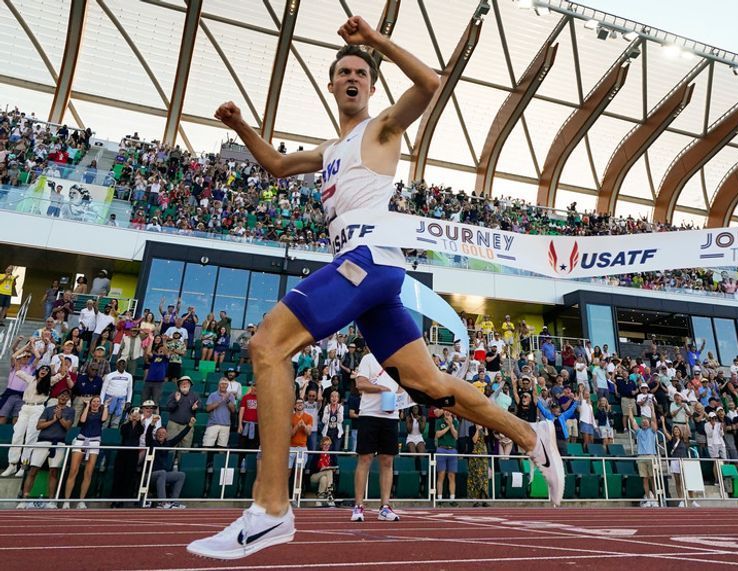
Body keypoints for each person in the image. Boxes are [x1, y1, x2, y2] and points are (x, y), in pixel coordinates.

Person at [189, 17, 563, 560]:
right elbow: (273, 165)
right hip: (371, 279)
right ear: (331, 84)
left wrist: (375, 41)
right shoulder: (329, 149)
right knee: (428, 384)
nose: (351, 76)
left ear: (370, 85)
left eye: (360, 72)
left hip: (370, 260)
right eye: (343, 70)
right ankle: (531, 435)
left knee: (267, 344)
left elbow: (432, 85)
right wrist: (241, 125)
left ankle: (270, 510)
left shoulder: (383, 128)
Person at [350, 344, 404, 522]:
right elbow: (360, 384)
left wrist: (398, 401)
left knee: (387, 460)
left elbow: (402, 388)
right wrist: (381, 388)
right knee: (365, 458)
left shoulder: (397, 363)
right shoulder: (368, 359)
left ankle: (385, 507)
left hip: (391, 416)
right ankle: (358, 506)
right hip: (369, 413)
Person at [18, 389, 74, 508]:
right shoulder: (48, 409)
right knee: (33, 470)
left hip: (58, 443)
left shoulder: (70, 411)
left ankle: (51, 500)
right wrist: (53, 419)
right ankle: (24, 499)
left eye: (66, 396)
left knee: (54, 471)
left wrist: (59, 418)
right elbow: (39, 426)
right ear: (58, 397)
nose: (63, 397)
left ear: (69, 399)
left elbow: (67, 426)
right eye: (61, 395)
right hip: (43, 441)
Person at [3, 365, 53, 478]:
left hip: (38, 408)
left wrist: (63, 361)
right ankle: (12, 464)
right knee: (17, 436)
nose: (44, 371)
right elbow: (18, 371)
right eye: (42, 369)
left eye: (46, 370)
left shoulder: (49, 381)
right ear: (39, 370)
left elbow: (63, 374)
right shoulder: (31, 379)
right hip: (25, 407)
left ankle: (23, 466)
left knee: (31, 437)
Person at [63, 396, 109, 508]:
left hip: (94, 442)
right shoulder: (86, 412)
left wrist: (106, 406)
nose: (96, 403)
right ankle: (66, 501)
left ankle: (81, 500)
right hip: (81, 440)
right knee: (73, 471)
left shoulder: (101, 413)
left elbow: (104, 419)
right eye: (94, 401)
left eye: (98, 402)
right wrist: (87, 405)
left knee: (88, 473)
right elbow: (82, 420)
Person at [145, 417, 195, 509]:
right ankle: (162, 503)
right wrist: (152, 424)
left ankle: (174, 502)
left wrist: (189, 426)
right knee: (162, 472)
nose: (161, 435)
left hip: (162, 475)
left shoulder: (168, 444)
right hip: (150, 475)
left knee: (181, 475)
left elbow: (179, 436)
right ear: (156, 435)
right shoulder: (151, 443)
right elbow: (148, 434)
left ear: (166, 435)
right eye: (159, 433)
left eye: (163, 433)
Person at [629, 413, 659, 507]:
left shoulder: (652, 431)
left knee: (653, 479)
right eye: (643, 422)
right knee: (645, 479)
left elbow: (654, 420)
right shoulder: (639, 432)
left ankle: (655, 499)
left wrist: (652, 409)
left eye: (646, 422)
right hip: (641, 457)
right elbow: (632, 421)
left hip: (651, 456)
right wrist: (630, 410)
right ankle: (649, 499)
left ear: (649, 424)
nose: (644, 423)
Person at [433, 407, 459, 505]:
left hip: (452, 449)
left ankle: (452, 498)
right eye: (446, 410)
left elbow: (456, 436)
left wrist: (451, 425)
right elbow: (438, 434)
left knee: (452, 475)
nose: (447, 412)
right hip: (441, 449)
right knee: (441, 475)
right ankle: (439, 498)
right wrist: (448, 426)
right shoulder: (439, 422)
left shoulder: (455, 423)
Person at [99, 358, 133, 428]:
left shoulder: (129, 376)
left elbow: (130, 389)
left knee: (116, 421)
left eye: (124, 364)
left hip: (121, 400)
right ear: (117, 365)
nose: (122, 365)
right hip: (109, 399)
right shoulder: (110, 375)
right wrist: (101, 402)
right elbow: (103, 390)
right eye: (120, 364)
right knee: (105, 420)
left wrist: (128, 401)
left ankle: (112, 436)